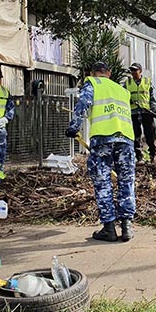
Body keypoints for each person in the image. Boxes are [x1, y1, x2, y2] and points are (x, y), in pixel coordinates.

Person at [66, 62, 136, 242]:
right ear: (109, 73)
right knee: (126, 180)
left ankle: (109, 228)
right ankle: (127, 226)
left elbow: (83, 103)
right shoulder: (122, 90)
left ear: (92, 73)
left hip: (103, 140)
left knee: (103, 181)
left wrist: (74, 127)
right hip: (126, 139)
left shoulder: (92, 83)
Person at [125, 62, 156, 163]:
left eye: (135, 70)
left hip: (146, 112)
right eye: (132, 70)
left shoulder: (147, 82)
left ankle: (154, 155)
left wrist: (154, 110)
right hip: (133, 112)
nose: (133, 72)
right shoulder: (127, 83)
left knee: (150, 135)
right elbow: (122, 95)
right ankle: (139, 157)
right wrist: (127, 99)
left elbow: (152, 97)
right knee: (136, 136)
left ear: (140, 71)